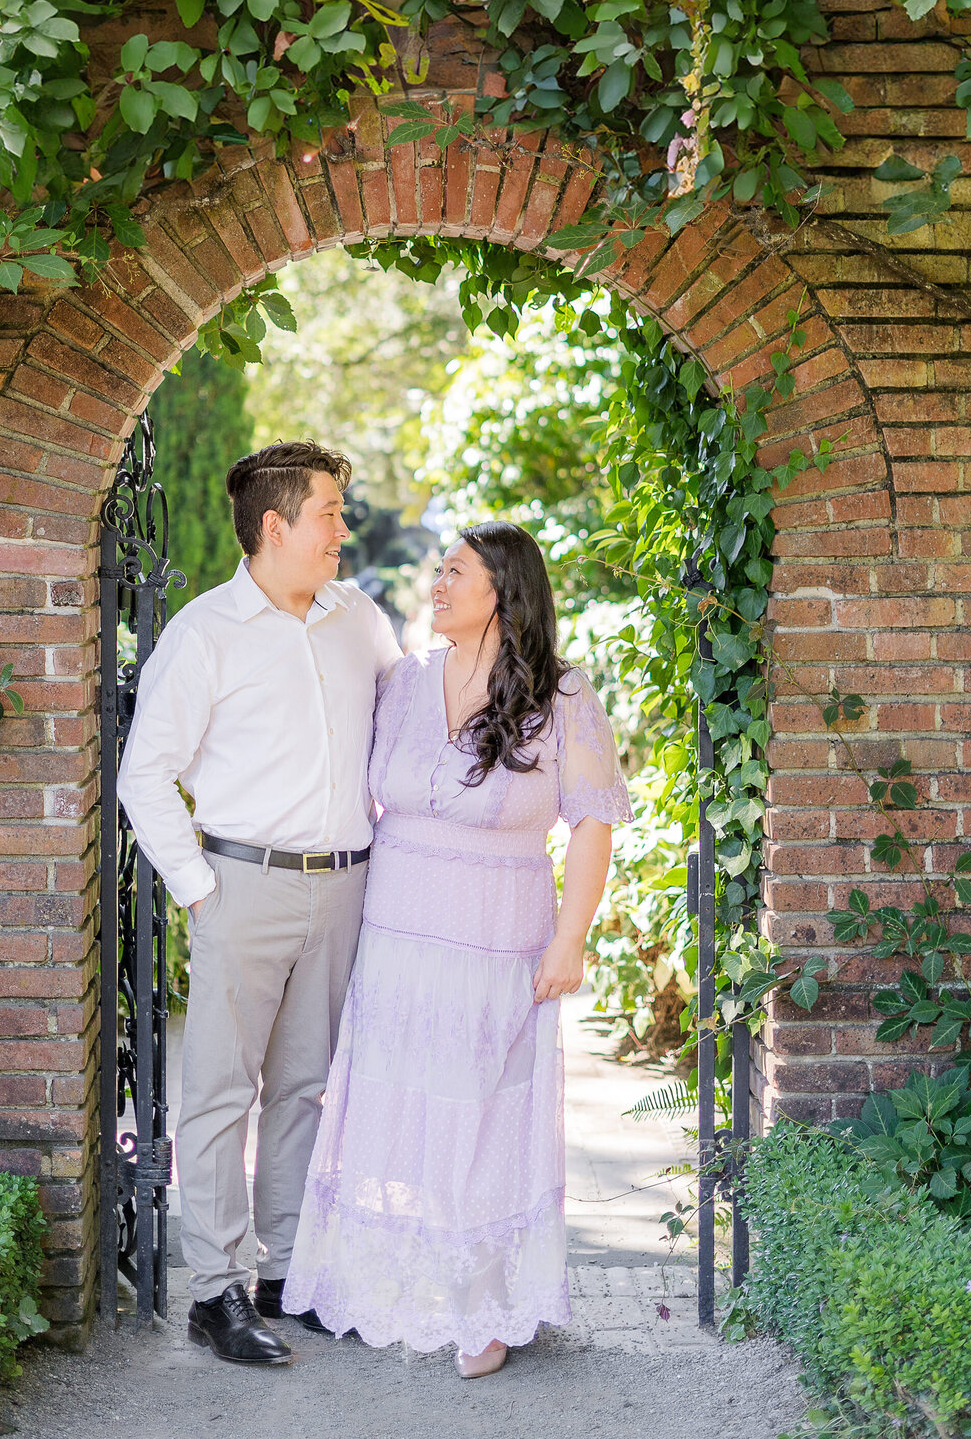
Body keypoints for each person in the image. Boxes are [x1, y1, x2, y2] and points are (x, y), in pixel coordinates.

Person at [284, 521, 631, 1376]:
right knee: (396, 1110)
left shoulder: (562, 695)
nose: (437, 585)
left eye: (455, 572)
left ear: (504, 592)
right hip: (396, 941)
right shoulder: (404, 681)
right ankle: (384, 1287)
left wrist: (570, 939)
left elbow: (592, 823)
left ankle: (484, 1306)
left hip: (497, 944)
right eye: (438, 571)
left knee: (482, 1119)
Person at [116, 440, 402, 1366]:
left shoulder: (360, 620)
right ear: (276, 527)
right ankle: (217, 1292)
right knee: (220, 1094)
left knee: (306, 1089)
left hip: (346, 883)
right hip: (242, 884)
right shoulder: (205, 632)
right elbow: (144, 774)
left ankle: (285, 1276)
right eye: (329, 514)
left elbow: (406, 725)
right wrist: (203, 891)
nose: (342, 530)